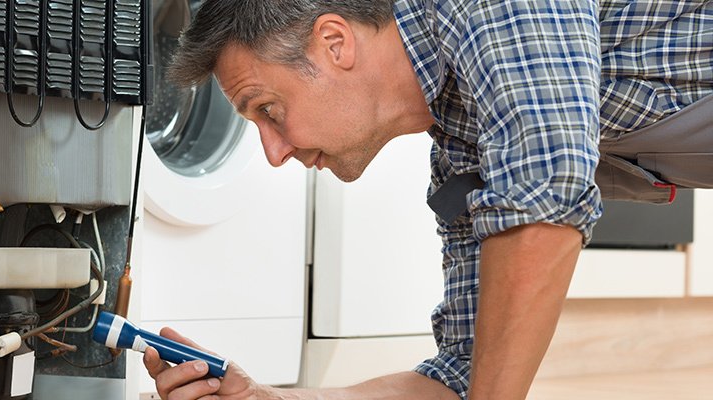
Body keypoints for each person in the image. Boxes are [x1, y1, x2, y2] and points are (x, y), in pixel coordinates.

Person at [142, 1, 713, 399]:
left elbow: (545, 194)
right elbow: (461, 377)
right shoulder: (461, 141)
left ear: (333, 42)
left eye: (267, 109)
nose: (272, 152)